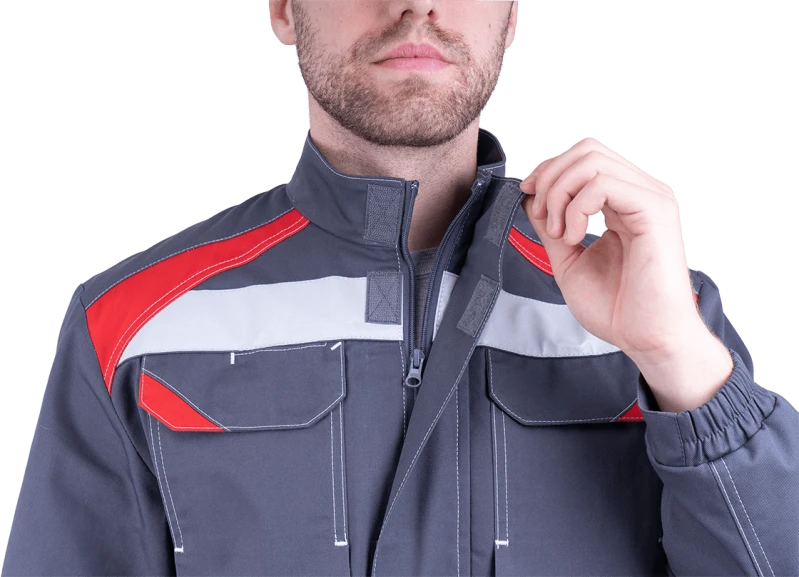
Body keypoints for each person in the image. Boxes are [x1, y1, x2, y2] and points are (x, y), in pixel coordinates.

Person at [3, 0, 797, 575]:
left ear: (511, 16)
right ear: (281, 9)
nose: (416, 6)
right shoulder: (134, 323)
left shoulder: (660, 313)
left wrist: (677, 360)